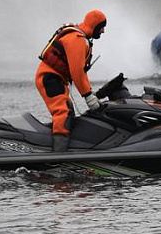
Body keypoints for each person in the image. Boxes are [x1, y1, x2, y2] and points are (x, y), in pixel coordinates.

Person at [35, 10, 107, 152]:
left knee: (69, 112)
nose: (103, 31)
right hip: (49, 78)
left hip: (55, 78)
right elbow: (77, 72)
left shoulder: (81, 37)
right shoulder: (77, 39)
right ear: (94, 26)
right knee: (63, 113)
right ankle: (59, 156)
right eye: (101, 27)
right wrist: (88, 96)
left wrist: (90, 93)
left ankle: (64, 147)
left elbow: (81, 72)